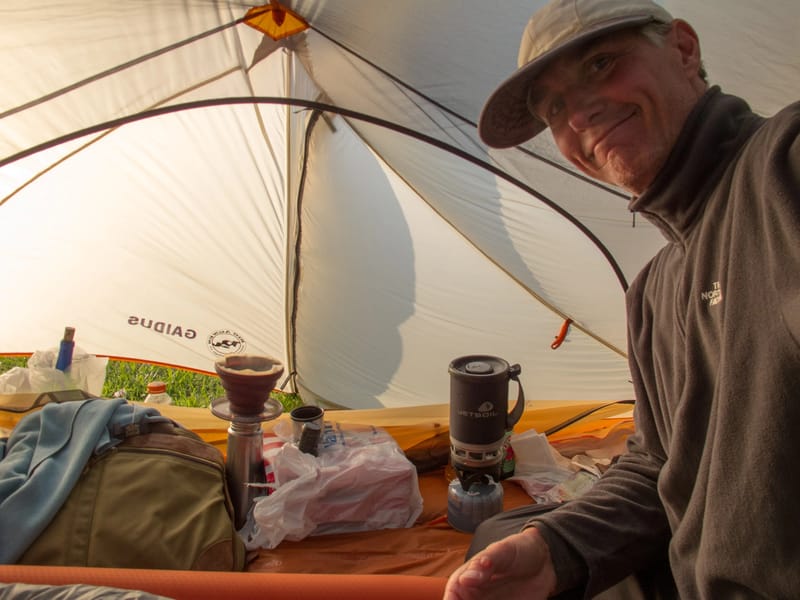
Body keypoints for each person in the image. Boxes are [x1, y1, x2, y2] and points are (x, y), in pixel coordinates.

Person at [444, 0, 800, 598]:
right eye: (553, 107)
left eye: (602, 64)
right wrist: (558, 549)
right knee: (500, 540)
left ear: (684, 50)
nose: (580, 112)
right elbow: (659, 464)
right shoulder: (655, 291)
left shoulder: (781, 171)